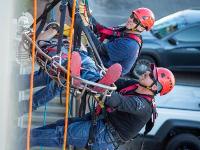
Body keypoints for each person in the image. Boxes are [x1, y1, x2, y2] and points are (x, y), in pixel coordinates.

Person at [19, 64, 175, 150]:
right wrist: (94, 77)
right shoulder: (135, 85)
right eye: (149, 71)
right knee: (62, 125)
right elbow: (114, 82)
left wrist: (100, 90)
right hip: (102, 121)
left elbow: (118, 101)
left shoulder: (143, 106)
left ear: (155, 88)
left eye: (151, 76)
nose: (147, 72)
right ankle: (24, 135)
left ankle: (19, 140)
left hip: (106, 136)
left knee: (62, 134)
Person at [18, 26, 122, 115]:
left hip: (76, 57)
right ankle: (91, 81)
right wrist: (56, 29)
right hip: (59, 57)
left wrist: (74, 40)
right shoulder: (46, 39)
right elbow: (37, 43)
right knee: (58, 81)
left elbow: (81, 47)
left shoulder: (69, 40)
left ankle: (94, 81)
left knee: (88, 63)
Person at [69, 0, 155, 75]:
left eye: (135, 21)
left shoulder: (130, 45)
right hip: (98, 61)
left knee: (67, 56)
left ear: (142, 28)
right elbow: (102, 30)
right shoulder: (126, 31)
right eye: (132, 16)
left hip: (101, 72)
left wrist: (83, 26)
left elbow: (99, 49)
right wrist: (88, 16)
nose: (131, 20)